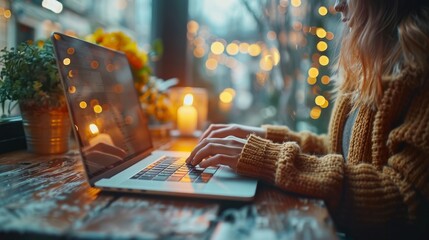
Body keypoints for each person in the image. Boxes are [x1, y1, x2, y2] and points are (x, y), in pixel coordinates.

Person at [186, 0, 429, 238]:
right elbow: (337, 151)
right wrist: (263, 136)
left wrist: (266, 157)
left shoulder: (422, 77)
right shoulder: (370, 63)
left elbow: (405, 198)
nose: (337, 5)